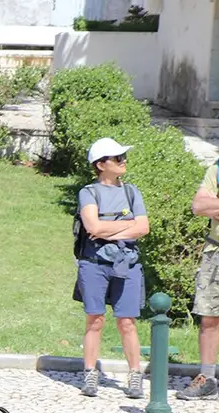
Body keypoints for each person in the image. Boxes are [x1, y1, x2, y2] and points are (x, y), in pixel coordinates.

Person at [73, 137, 150, 399]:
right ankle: (90, 374)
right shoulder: (88, 192)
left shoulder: (132, 191)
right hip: (94, 265)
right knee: (95, 320)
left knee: (127, 322)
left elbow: (143, 228)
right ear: (101, 164)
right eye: (118, 158)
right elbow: (92, 228)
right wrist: (126, 225)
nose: (123, 162)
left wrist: (110, 230)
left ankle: (135, 375)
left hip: (127, 264)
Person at [177, 113, 219, 400]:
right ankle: (207, 378)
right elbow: (198, 206)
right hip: (216, 253)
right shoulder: (218, 169)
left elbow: (210, 206)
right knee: (210, 316)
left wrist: (218, 205)